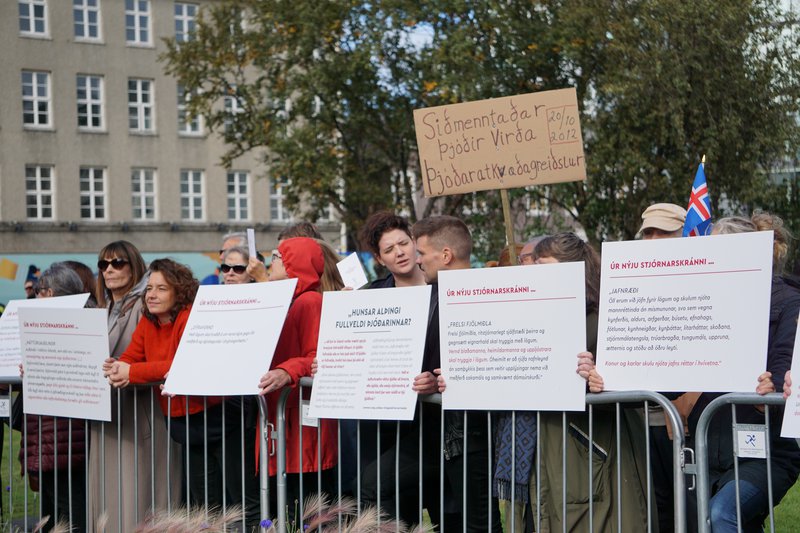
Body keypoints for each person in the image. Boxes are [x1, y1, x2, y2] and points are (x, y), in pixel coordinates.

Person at [383, 215, 501, 532]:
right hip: (448, 432)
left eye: (421, 252)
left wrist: (460, 377)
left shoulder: (487, 296)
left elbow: (497, 357)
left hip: (473, 432)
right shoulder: (433, 295)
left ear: (445, 255)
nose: (417, 261)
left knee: (479, 522)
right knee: (460, 520)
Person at [533, 233, 650, 532]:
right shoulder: (535, 317)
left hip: (596, 446)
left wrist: (602, 377)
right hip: (551, 444)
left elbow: (635, 380)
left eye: (545, 267)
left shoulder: (604, 318)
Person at [104, 259, 220, 510]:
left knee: (218, 493)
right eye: (149, 288)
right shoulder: (150, 320)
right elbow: (131, 357)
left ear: (179, 291)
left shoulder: (189, 316)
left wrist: (131, 372)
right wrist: (116, 368)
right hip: (180, 418)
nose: (152, 295)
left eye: (161, 288)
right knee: (199, 494)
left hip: (211, 415)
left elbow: (179, 363)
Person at [88, 241, 177, 532]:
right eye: (103, 264)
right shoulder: (104, 308)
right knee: (108, 492)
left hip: (139, 414)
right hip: (106, 413)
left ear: (133, 265)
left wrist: (130, 370)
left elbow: (156, 356)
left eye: (118, 263)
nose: (109, 270)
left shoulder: (144, 305)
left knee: (138, 491)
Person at [257, 237, 337, 523]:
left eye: (279, 256)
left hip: (301, 425)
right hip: (284, 419)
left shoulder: (309, 301)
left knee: (304, 507)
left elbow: (317, 357)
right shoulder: (290, 301)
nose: (271, 261)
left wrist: (286, 371)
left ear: (295, 263)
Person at [20, 263, 88, 532]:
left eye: (42, 290)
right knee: (51, 508)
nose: (38, 296)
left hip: (64, 437)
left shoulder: (77, 324)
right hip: (47, 434)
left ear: (58, 293)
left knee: (69, 509)